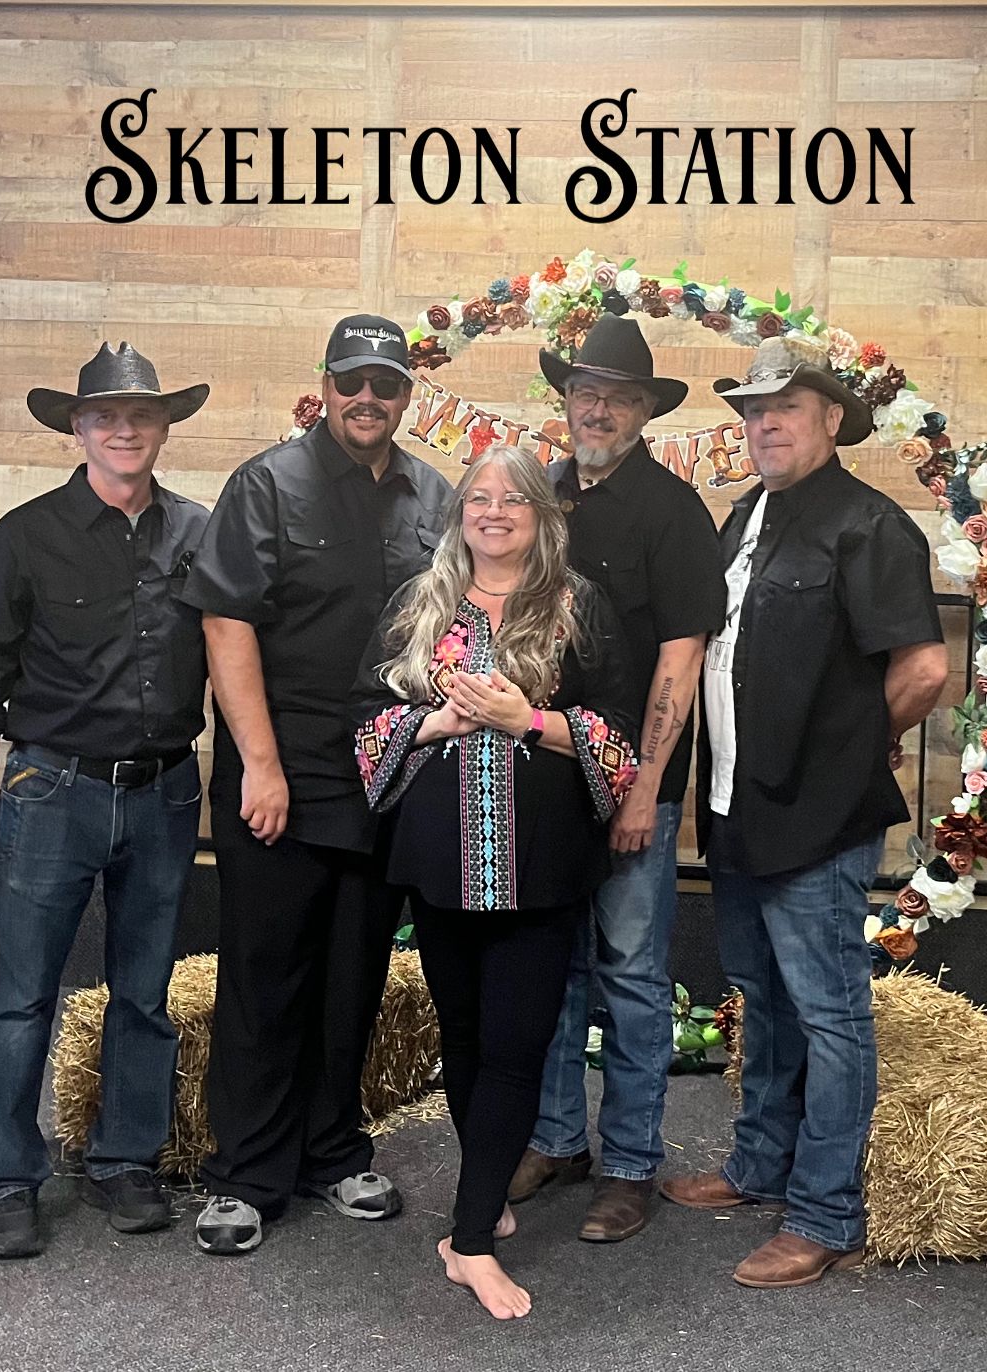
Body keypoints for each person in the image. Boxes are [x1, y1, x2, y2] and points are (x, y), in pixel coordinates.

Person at [660, 335, 949, 1287]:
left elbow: (924, 669)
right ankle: (759, 1167)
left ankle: (826, 1214)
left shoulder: (871, 527)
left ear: (831, 418)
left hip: (818, 820)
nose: (765, 424)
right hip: (739, 807)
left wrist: (846, 754)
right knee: (765, 998)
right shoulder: (746, 515)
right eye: (752, 410)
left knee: (829, 1014)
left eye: (785, 407)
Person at [183, 314, 453, 1255]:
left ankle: (333, 1152)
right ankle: (245, 1175)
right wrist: (259, 765)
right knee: (266, 977)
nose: (367, 398)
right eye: (352, 381)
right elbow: (226, 624)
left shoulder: (435, 495)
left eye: (386, 383)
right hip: (283, 775)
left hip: (384, 777)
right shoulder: (266, 484)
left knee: (354, 977)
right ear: (327, 385)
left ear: (407, 394)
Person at [352, 445, 639, 1318]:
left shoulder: (578, 606)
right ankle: (487, 1192)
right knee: (467, 1039)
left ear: (542, 516)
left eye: (514, 499)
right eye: (479, 497)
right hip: (440, 865)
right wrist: (436, 722)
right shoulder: (419, 603)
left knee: (517, 1047)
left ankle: (470, 1240)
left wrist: (531, 719)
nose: (494, 511)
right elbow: (365, 723)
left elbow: (620, 735)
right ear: (460, 513)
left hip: (540, 868)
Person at [0, 342, 211, 1258]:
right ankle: (9, 1177)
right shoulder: (25, 535)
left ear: (165, 427)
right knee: (21, 996)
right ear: (78, 429)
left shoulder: (199, 533)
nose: (124, 430)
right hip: (51, 790)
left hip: (166, 792)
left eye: (141, 415)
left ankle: (124, 1158)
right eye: (105, 417)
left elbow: (235, 657)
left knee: (144, 993)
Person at [511, 315, 726, 1243]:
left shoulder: (674, 513)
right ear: (566, 401)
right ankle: (557, 1138)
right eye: (585, 393)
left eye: (619, 398)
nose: (598, 410)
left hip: (633, 785)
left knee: (632, 977)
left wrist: (644, 788)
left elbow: (683, 655)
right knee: (553, 966)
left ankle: (632, 1163)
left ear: (645, 412)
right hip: (548, 775)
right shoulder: (539, 496)